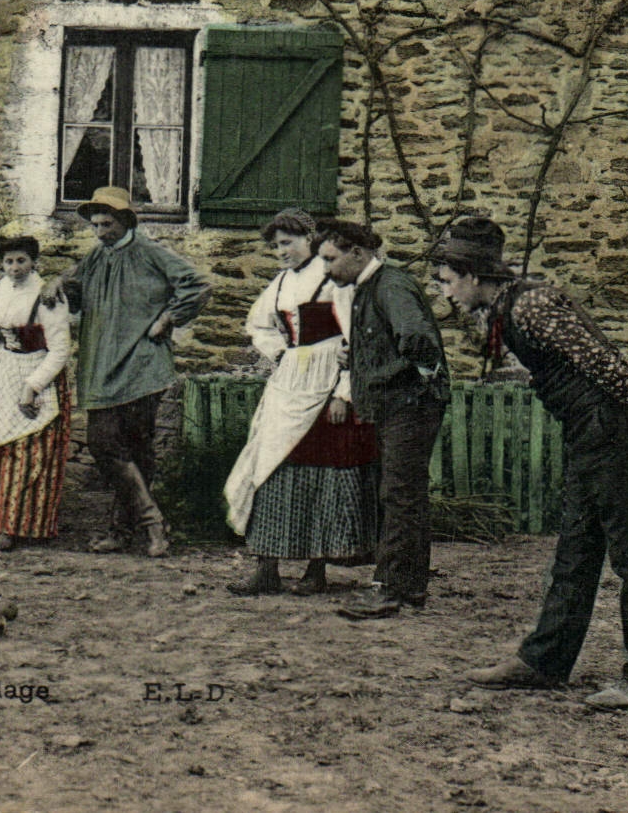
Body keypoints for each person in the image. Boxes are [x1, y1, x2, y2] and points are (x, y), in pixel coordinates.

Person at [435, 217, 628, 710]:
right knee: (575, 552)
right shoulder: (507, 307)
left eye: (447, 281)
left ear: (472, 274)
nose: (444, 292)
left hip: (614, 430)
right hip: (590, 432)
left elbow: (602, 361)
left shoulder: (531, 304)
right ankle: (543, 662)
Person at [223, 209, 378, 597]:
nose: (281, 252)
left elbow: (354, 340)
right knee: (269, 466)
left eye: (287, 243)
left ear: (310, 239)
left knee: (323, 472)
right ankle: (266, 567)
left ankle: (316, 570)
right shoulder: (278, 284)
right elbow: (258, 324)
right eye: (276, 246)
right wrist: (279, 353)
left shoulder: (334, 281)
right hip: (290, 379)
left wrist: (344, 391)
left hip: (325, 381)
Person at [59, 186, 210, 558]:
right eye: (94, 224)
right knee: (103, 444)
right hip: (102, 365)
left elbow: (198, 285)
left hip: (143, 364)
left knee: (138, 449)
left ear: (126, 220)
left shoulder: (150, 252)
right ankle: (153, 522)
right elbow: (76, 295)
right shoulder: (94, 259)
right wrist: (61, 285)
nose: (99, 231)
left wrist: (169, 317)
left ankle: (122, 530)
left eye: (106, 223)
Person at [316, 219, 449, 620]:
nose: (326, 269)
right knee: (401, 492)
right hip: (398, 405)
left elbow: (417, 340)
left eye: (331, 259)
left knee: (399, 493)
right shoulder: (367, 289)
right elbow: (389, 341)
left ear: (358, 252)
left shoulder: (391, 285)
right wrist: (358, 359)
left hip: (410, 405)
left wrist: (412, 380)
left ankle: (389, 588)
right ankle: (409, 585)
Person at [0, 235, 72, 552]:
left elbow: (61, 349)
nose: (15, 268)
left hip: (39, 370)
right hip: (5, 369)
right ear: (1, 264)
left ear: (33, 262)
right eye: (9, 261)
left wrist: (33, 386)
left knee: (27, 452)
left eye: (21, 261)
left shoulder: (48, 295)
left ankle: (20, 526)